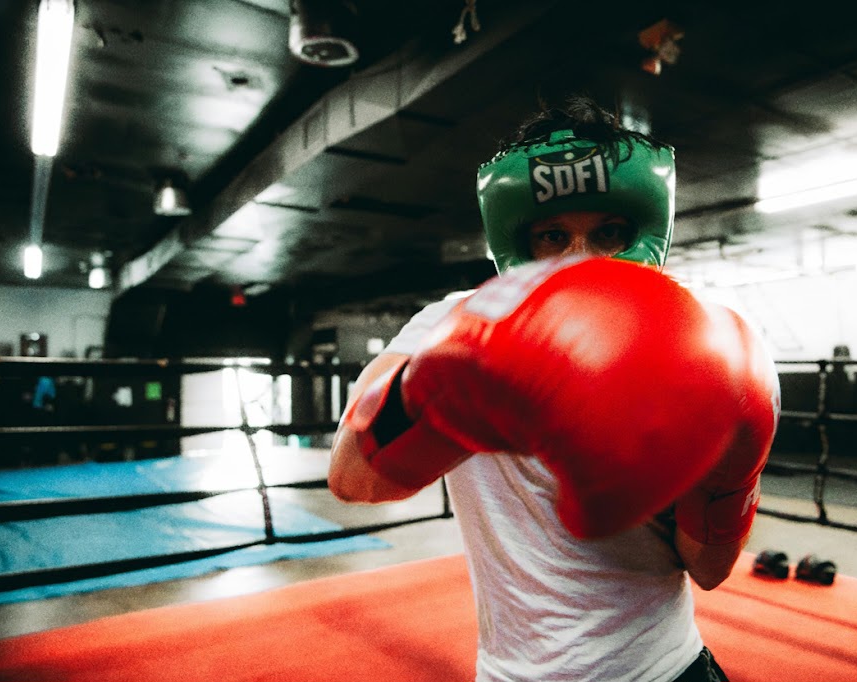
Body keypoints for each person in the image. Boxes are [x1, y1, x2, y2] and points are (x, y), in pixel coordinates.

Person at [328, 97, 779, 681]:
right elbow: (351, 478)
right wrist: (447, 388)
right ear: (518, 242)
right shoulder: (455, 322)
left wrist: (732, 477)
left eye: (610, 232)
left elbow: (709, 570)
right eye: (553, 235)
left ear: (645, 232)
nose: (582, 259)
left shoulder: (704, 342)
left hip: (666, 667)